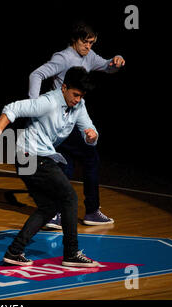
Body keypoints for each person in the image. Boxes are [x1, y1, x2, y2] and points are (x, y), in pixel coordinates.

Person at [0, 67, 99, 267]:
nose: (77, 99)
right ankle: (71, 253)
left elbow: (89, 127)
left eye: (81, 96)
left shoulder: (79, 106)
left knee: (48, 207)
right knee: (69, 197)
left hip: (36, 157)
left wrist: (92, 135)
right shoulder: (49, 102)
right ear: (64, 88)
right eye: (75, 94)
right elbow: (13, 108)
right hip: (32, 156)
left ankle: (14, 252)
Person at [29, 21, 125, 229]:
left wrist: (115, 62)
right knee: (89, 158)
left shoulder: (88, 56)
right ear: (75, 39)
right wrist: (34, 104)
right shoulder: (63, 58)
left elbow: (107, 66)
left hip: (75, 114)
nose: (88, 46)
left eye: (92, 42)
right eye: (85, 42)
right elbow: (36, 75)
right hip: (61, 117)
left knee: (67, 164)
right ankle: (88, 210)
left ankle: (57, 212)